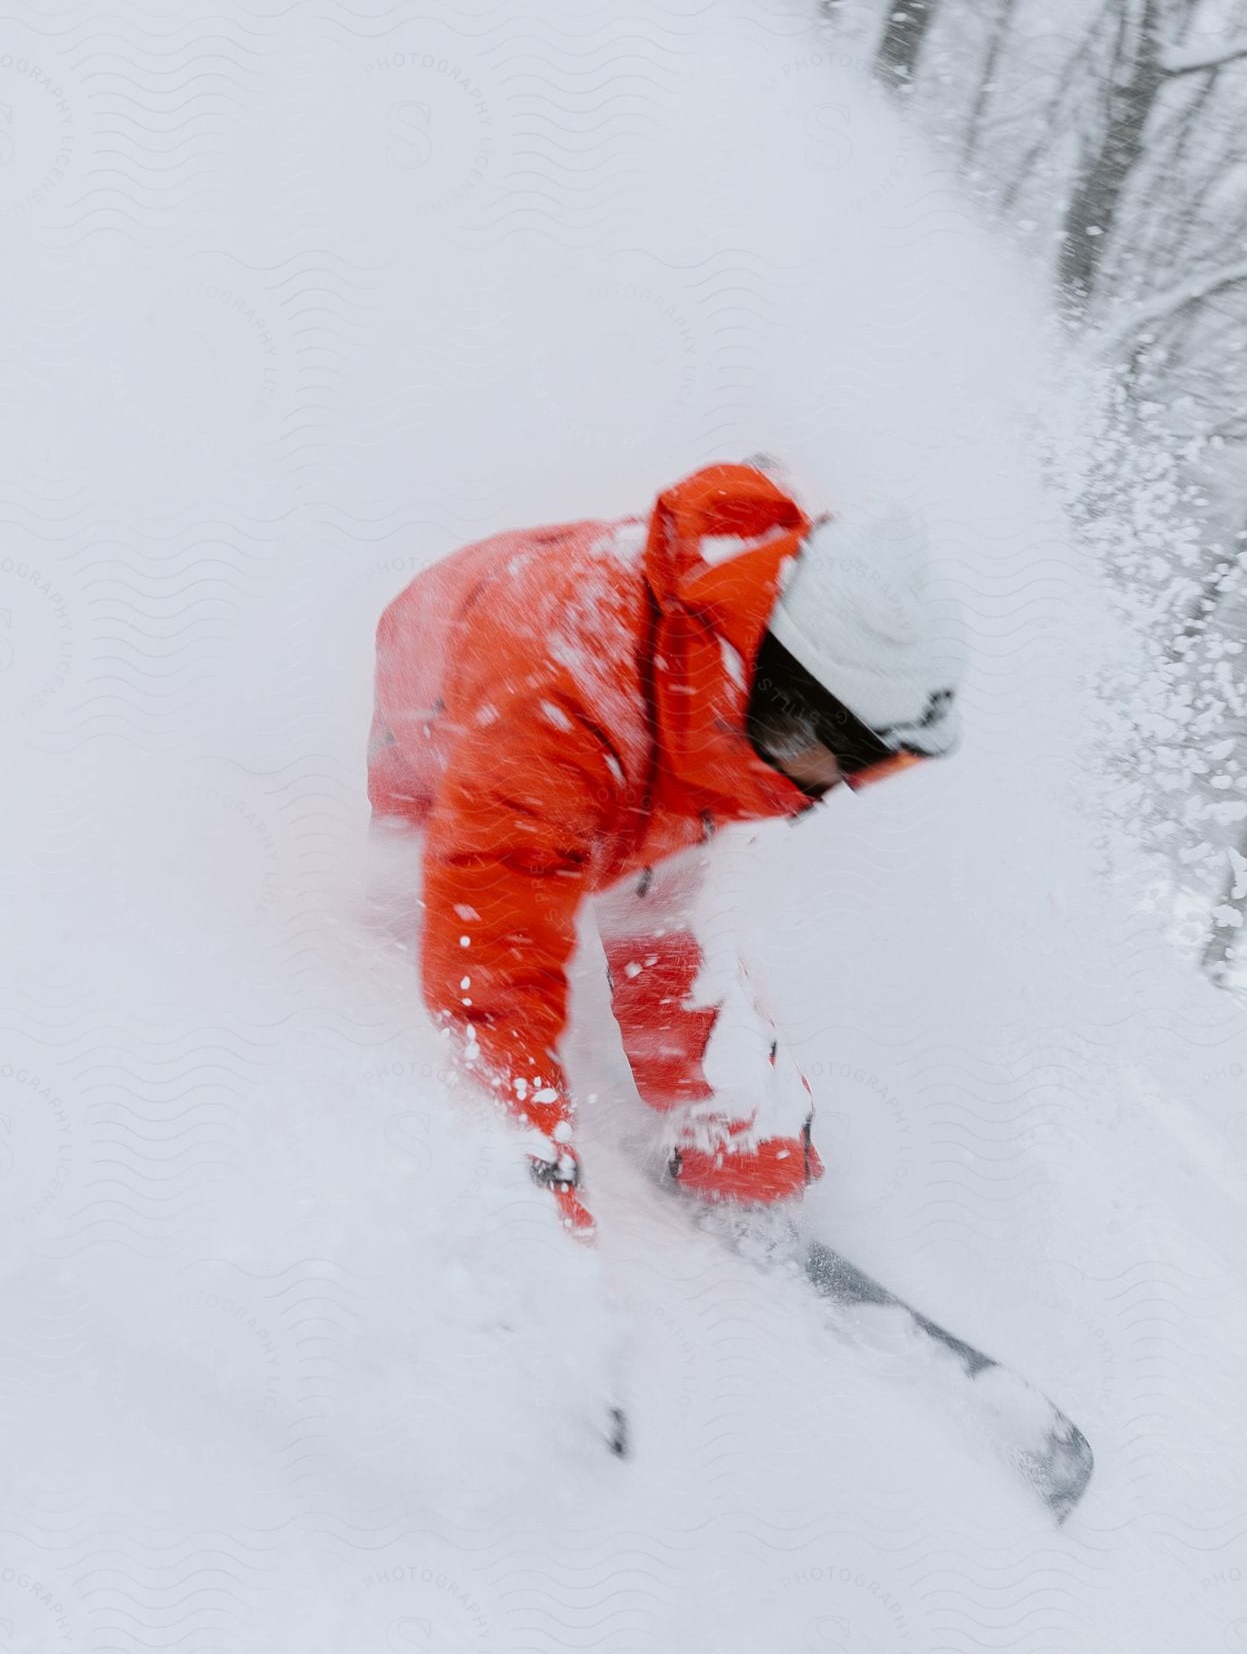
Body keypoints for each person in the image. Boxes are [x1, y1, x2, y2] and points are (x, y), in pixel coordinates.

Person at [367, 459, 961, 1239]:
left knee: (691, 996)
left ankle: (737, 1165)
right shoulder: (549, 715)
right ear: (784, 700)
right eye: (825, 759)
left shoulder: (730, 685)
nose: (824, 792)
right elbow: (495, 965)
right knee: (428, 909)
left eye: (862, 771)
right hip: (439, 675)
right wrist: (533, 1177)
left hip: (650, 731)